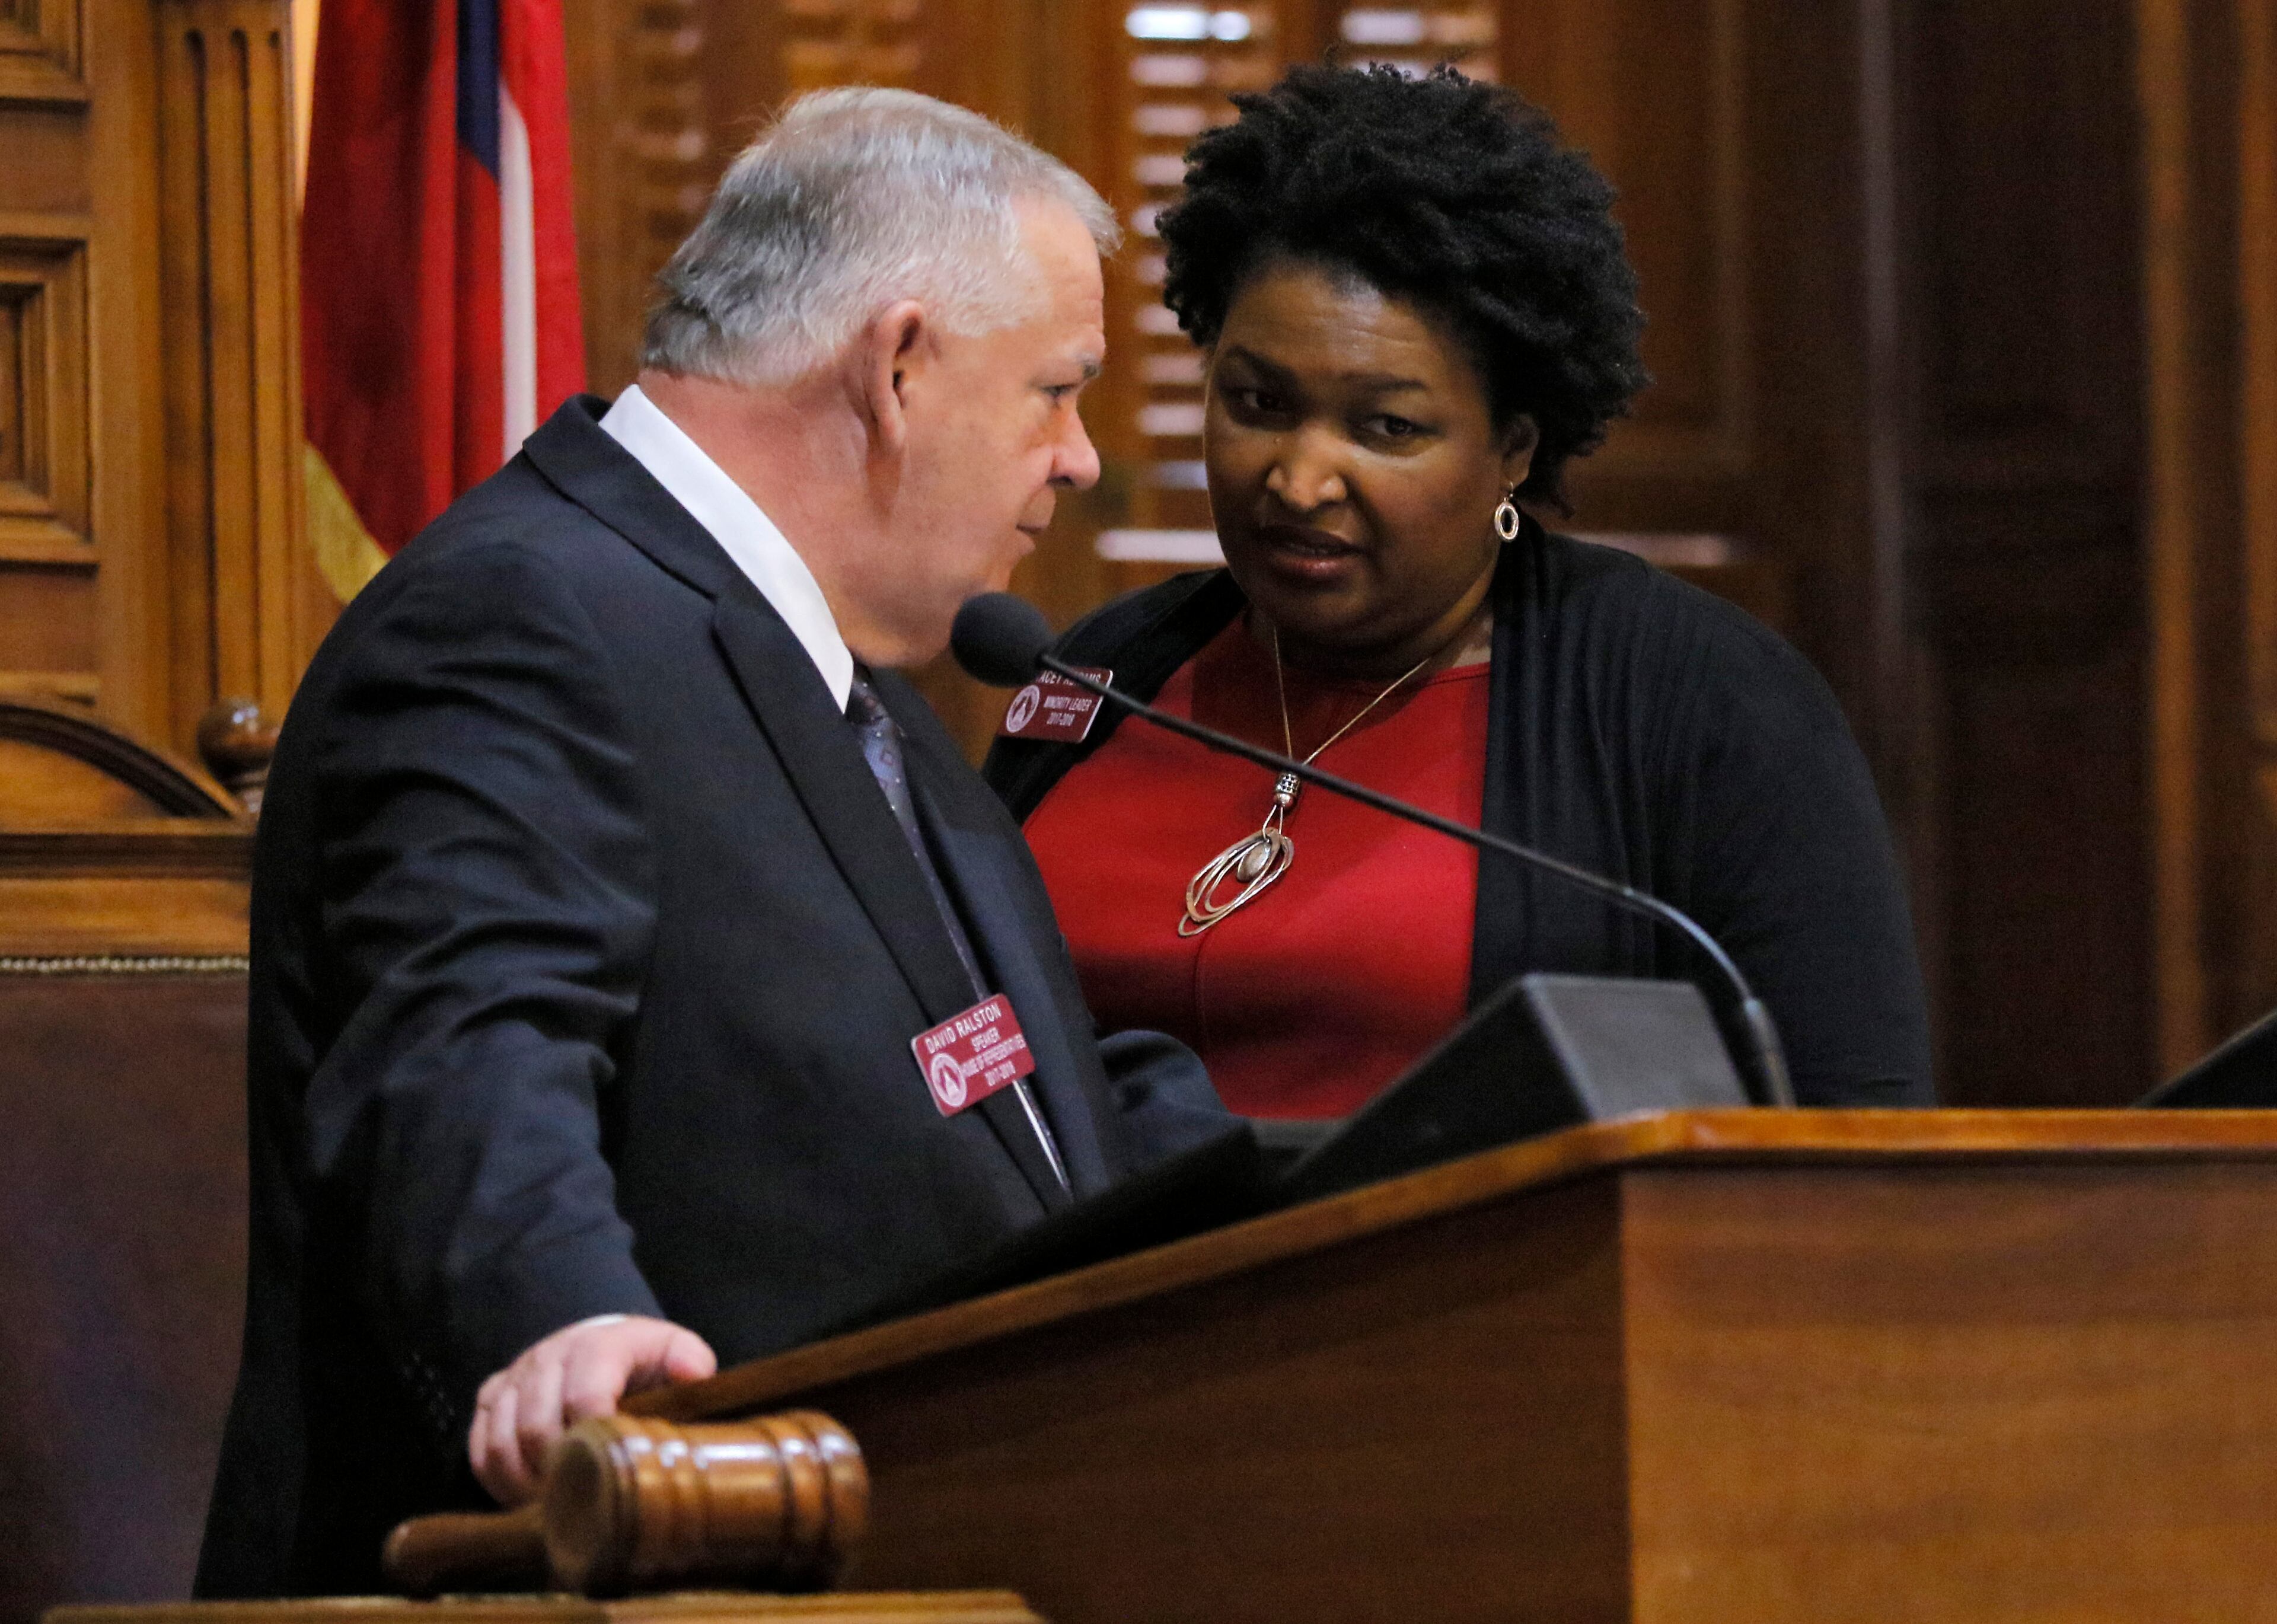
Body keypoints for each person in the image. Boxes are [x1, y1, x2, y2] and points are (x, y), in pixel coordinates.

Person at [196, 89, 1228, 1598]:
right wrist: (561, 1323)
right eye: (1057, 390)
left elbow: (1032, 1092)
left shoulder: (843, 666)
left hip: (955, 1536)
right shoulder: (518, 616)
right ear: (896, 366)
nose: (1077, 460)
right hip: (617, 1562)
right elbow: (466, 1041)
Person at [985, 65, 1933, 1118]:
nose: (1298, 480)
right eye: (1257, 403)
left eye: (1387, 427)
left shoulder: (1699, 703)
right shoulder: (1104, 673)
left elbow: (1856, 1137)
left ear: (1513, 448)